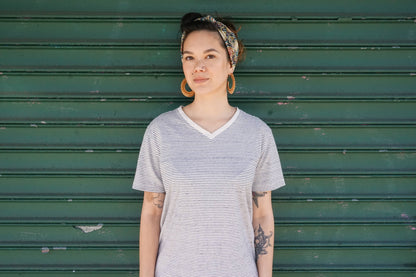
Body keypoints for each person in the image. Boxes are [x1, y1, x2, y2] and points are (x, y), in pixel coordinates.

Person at [132, 12, 286, 277]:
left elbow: (262, 216)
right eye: (189, 57)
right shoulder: (161, 131)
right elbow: (150, 215)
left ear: (231, 64)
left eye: (210, 56)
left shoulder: (257, 133)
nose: (197, 67)